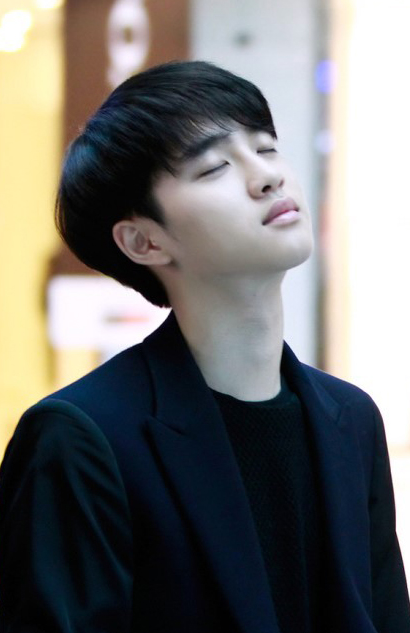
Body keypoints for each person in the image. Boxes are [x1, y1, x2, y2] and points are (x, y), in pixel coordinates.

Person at [0, 60, 409, 633]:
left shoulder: (351, 419)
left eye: (266, 148)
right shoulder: (80, 439)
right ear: (144, 241)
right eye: (215, 167)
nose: (267, 177)